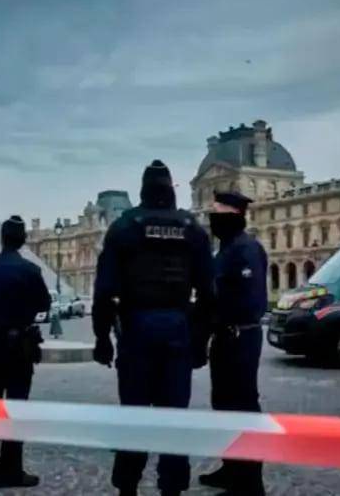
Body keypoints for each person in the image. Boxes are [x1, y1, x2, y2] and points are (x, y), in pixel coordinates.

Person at [93, 160, 214, 496]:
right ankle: (171, 489)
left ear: (143, 191)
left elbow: (104, 291)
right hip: (178, 329)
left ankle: (128, 488)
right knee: (174, 418)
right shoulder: (192, 229)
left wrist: (102, 338)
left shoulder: (125, 226)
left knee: (133, 416)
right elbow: (208, 294)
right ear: (171, 190)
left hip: (135, 329)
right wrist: (201, 342)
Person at [199, 191, 268, 495]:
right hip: (226, 336)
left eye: (218, 213)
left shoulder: (246, 249)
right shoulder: (226, 249)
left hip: (241, 335)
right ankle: (231, 468)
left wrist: (214, 314)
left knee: (242, 406)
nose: (212, 219)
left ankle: (250, 482)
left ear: (235, 215)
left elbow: (248, 300)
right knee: (224, 404)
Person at [0, 215, 50, 489]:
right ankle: (10, 471)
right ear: (23, 239)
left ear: (2, 238)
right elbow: (44, 302)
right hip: (19, 344)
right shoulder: (30, 270)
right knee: (15, 407)